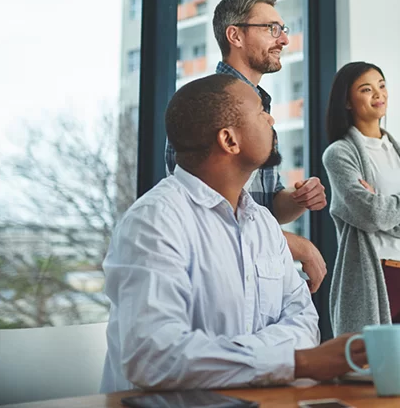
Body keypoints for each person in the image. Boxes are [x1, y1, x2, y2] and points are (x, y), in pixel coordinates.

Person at [101, 75, 365, 392]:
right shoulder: (154, 221)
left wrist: (230, 358)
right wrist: (296, 363)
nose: (271, 118)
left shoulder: (263, 223)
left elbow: (305, 323)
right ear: (229, 140)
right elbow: (154, 357)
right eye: (259, 112)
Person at [165, 0, 327, 293]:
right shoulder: (204, 105)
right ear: (235, 36)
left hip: (258, 273)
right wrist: (295, 245)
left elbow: (269, 206)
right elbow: (206, 214)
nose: (284, 40)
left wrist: (297, 199)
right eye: (272, 29)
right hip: (219, 280)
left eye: (283, 30)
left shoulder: (262, 109)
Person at [322, 62, 400, 335]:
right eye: (366, 89)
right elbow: (372, 214)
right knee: (374, 367)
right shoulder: (339, 154)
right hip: (377, 275)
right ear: (347, 101)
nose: (379, 94)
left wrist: (385, 208)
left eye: (381, 85)